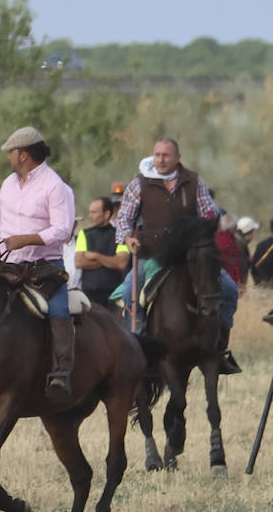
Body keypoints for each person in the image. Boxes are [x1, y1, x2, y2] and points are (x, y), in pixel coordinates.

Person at [111, 137, 239, 374]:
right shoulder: (139, 183)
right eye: (157, 155)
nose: (160, 160)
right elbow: (124, 219)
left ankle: (219, 345)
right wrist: (128, 238)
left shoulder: (194, 181)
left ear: (177, 158)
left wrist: (208, 226)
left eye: (165, 155)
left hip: (190, 255)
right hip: (153, 255)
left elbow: (209, 213)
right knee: (130, 291)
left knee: (230, 289)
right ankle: (137, 344)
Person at [0, 126, 76, 403]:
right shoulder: (7, 184)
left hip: (45, 266)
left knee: (58, 309)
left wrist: (27, 239)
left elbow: (63, 230)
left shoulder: (55, 186)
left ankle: (61, 373)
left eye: (11, 153)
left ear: (23, 155)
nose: (8, 158)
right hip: (8, 263)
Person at [74, 196, 129, 310]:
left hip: (113, 295)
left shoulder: (120, 235)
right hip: (89, 295)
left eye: (94, 212)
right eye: (90, 212)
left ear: (107, 214)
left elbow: (121, 263)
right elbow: (79, 262)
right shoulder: (84, 234)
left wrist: (96, 256)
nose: (90, 216)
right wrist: (109, 261)